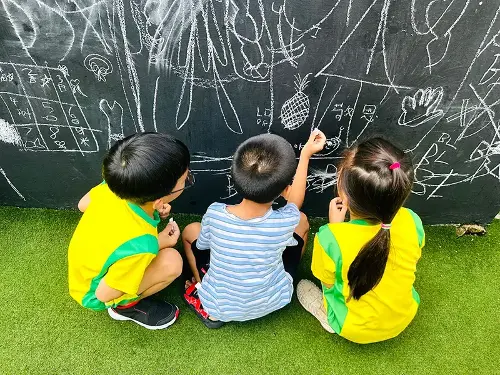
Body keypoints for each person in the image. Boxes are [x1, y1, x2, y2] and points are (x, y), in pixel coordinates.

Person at [182, 130, 326, 328]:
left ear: (234, 178)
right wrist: (306, 155)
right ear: (286, 190)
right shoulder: (284, 221)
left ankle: (203, 292)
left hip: (220, 308)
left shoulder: (215, 213)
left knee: (190, 231)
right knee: (301, 221)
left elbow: (204, 245)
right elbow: (296, 203)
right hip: (275, 299)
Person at [297, 137, 425, 344]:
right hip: (404, 315)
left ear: (344, 195)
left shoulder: (330, 238)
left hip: (353, 328)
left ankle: (327, 316)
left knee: (330, 278)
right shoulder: (412, 220)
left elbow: (328, 281)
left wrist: (335, 229)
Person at [68, 132, 192, 330]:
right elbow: (104, 294)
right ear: (159, 200)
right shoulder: (143, 245)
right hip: (94, 291)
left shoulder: (113, 187)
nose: (187, 179)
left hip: (84, 269)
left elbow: (83, 205)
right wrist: (158, 243)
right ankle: (125, 307)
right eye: (186, 179)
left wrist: (155, 213)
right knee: (172, 262)